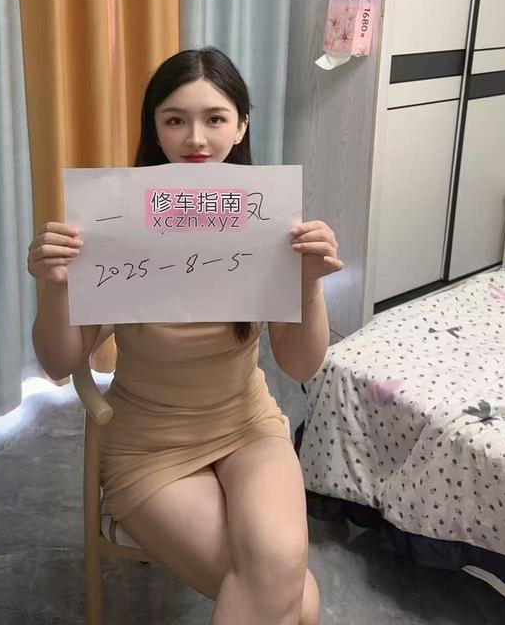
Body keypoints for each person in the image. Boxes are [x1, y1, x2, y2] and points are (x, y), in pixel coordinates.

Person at [28, 47, 344, 625]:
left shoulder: (268, 221)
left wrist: (309, 283)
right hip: (150, 445)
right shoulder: (114, 220)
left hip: (247, 425)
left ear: (241, 125)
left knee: (281, 583)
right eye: (175, 119)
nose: (195, 138)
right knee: (296, 601)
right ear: (155, 128)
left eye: (215, 118)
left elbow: (300, 366)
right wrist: (54, 288)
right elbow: (58, 361)